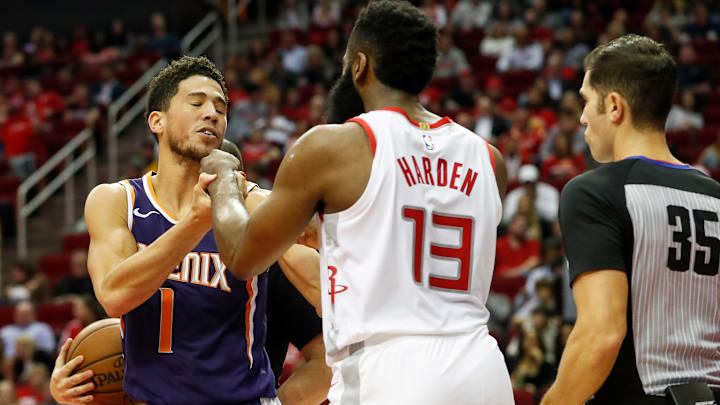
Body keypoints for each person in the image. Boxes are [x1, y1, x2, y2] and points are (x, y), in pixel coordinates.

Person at [201, 1, 513, 403]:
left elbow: (242, 256)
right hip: (482, 366)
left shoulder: (335, 146)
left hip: (392, 369)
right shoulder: (490, 159)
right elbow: (394, 224)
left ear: (360, 65)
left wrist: (224, 178)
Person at [81, 56, 323, 405]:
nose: (212, 113)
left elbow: (323, 289)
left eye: (220, 109)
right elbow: (114, 296)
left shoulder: (253, 205)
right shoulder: (115, 200)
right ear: (156, 121)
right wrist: (196, 222)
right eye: (196, 103)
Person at [541, 35, 720, 405]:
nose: (582, 117)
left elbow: (601, 335)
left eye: (586, 101)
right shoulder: (715, 195)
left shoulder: (594, 192)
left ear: (614, 106)